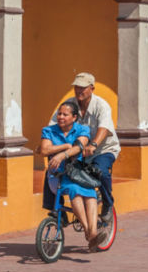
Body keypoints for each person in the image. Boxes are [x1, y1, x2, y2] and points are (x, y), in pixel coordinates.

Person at [44, 72, 119, 221]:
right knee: (52, 170)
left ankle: (107, 204)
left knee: (101, 171)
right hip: (78, 152)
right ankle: (57, 210)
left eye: (83, 88)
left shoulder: (101, 105)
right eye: (76, 87)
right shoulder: (69, 105)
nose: (79, 91)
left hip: (102, 149)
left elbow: (104, 128)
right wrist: (45, 143)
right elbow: (54, 124)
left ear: (92, 88)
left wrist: (93, 144)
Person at [38, 100, 102, 249]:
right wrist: (66, 146)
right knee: (75, 191)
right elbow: (45, 150)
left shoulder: (82, 129)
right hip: (58, 176)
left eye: (65, 114)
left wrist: (62, 155)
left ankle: (92, 232)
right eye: (59, 114)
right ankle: (89, 232)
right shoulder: (48, 131)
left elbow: (80, 146)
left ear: (74, 117)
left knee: (90, 193)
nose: (60, 117)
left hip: (78, 173)